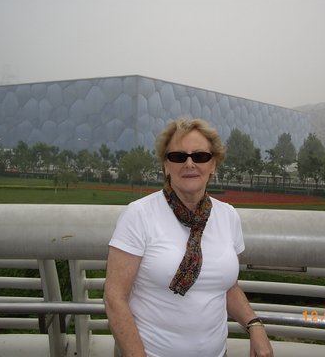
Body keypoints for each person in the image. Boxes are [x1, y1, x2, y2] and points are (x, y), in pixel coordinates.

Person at [104, 118, 274, 357]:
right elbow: (114, 297)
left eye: (201, 156)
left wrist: (254, 325)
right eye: (178, 156)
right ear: (165, 165)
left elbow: (225, 285)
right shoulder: (139, 215)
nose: (190, 163)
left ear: (213, 164)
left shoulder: (227, 216)